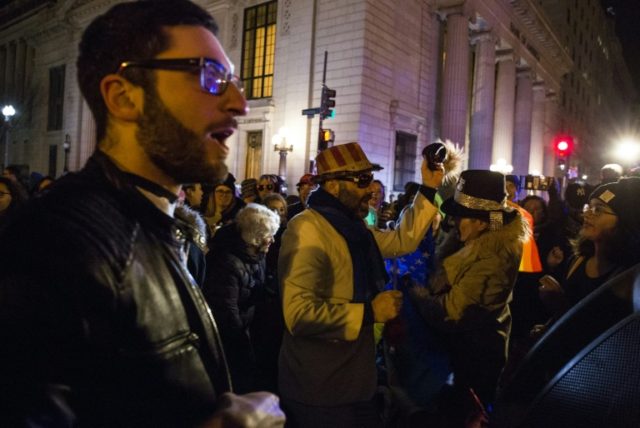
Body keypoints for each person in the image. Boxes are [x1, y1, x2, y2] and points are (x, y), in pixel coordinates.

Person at [0, 1, 284, 426]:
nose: (240, 103)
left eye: (235, 81)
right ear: (123, 96)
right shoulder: (54, 246)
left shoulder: (156, 224)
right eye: (210, 76)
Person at [278, 142, 444, 427]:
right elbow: (298, 314)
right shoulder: (307, 228)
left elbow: (401, 239)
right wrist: (369, 312)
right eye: (362, 180)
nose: (371, 189)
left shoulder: (353, 228)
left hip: (357, 382)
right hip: (321, 389)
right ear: (331, 186)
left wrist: (428, 187)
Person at [410, 170, 529, 409]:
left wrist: (415, 293)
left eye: (461, 216)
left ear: (481, 221)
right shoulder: (467, 238)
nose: (453, 221)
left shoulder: (496, 256)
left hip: (475, 362)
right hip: (454, 357)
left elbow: (453, 312)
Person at [538, 177, 640, 324]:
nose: (586, 215)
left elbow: (600, 332)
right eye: (588, 208)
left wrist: (559, 305)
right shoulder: (578, 260)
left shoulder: (630, 277)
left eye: (598, 210)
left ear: (625, 220)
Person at [203, 203, 280, 394]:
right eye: (267, 235)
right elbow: (226, 310)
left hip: (247, 331)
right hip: (230, 341)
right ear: (254, 237)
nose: (272, 240)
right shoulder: (227, 263)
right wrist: (242, 347)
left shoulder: (256, 255)